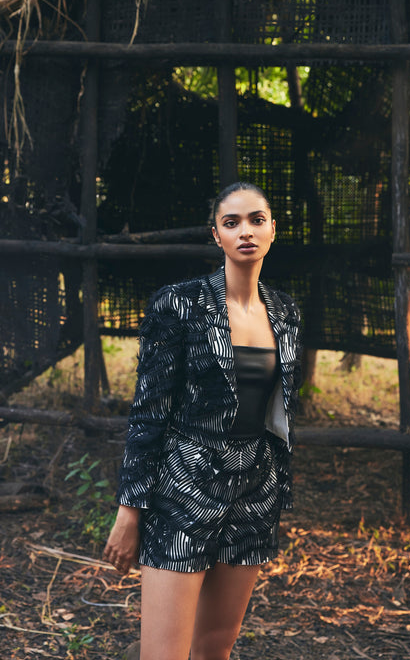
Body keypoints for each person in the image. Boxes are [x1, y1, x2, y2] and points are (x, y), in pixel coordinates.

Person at [103, 182, 302, 660]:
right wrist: (131, 510)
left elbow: (279, 412)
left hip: (255, 487)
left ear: (273, 229)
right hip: (185, 485)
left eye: (256, 220)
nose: (246, 232)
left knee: (215, 648)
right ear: (216, 236)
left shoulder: (287, 313)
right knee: (164, 654)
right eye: (231, 223)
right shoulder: (180, 303)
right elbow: (148, 412)